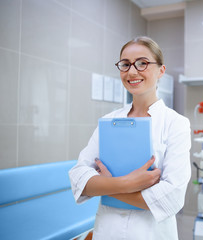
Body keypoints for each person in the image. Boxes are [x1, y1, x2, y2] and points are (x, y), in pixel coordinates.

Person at [69, 36, 191, 240]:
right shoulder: (108, 121)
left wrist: (107, 186)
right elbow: (78, 177)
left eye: (142, 63)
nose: (132, 71)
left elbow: (172, 197)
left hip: (150, 233)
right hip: (108, 231)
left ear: (161, 70)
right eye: (125, 64)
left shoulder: (175, 123)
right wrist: (128, 183)